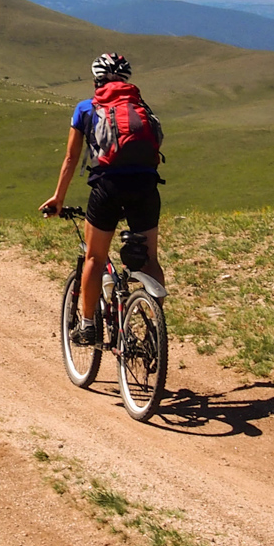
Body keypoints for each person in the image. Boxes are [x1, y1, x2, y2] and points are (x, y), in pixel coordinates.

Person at [39, 52, 164, 344]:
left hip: (108, 187)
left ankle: (87, 325)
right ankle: (155, 330)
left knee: (94, 258)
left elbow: (71, 158)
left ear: (96, 81)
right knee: (150, 259)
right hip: (146, 186)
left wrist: (58, 198)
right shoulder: (140, 108)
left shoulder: (86, 108)